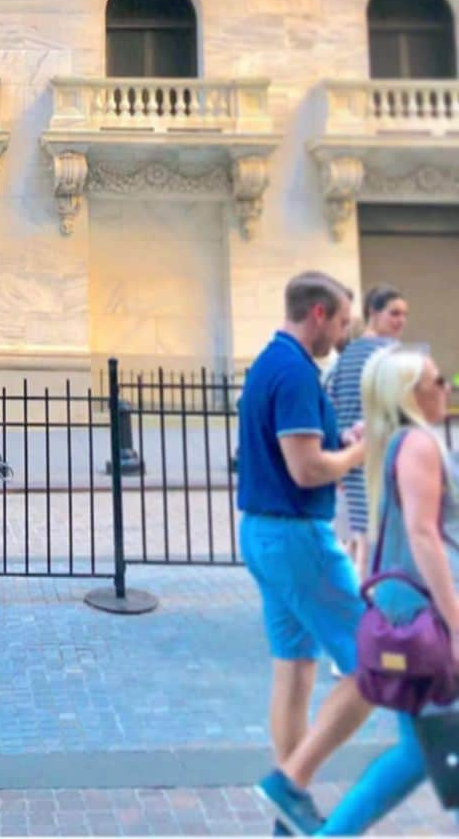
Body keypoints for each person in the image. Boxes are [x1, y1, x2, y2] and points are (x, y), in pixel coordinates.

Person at [238, 273, 374, 835]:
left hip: (266, 533)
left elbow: (305, 454)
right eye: (342, 322)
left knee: (295, 669)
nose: (343, 335)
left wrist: (339, 447)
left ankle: (285, 815)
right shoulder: (294, 370)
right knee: (377, 663)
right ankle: (290, 784)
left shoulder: (272, 363)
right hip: (298, 538)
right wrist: (360, 453)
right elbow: (306, 467)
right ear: (318, 313)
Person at [319, 346, 458, 834]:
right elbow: (423, 535)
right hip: (429, 613)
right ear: (411, 394)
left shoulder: (394, 441)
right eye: (438, 382)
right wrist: (456, 623)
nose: (447, 389)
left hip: (407, 610)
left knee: (421, 751)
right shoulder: (417, 444)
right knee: (439, 740)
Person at [328, 285, 409, 579]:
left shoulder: (347, 355)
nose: (401, 321)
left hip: (351, 454)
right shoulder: (389, 353)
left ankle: (360, 604)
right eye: (394, 313)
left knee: (363, 536)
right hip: (381, 453)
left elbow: (333, 404)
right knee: (379, 538)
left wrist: (341, 445)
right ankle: (370, 607)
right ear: (373, 313)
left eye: (404, 314)